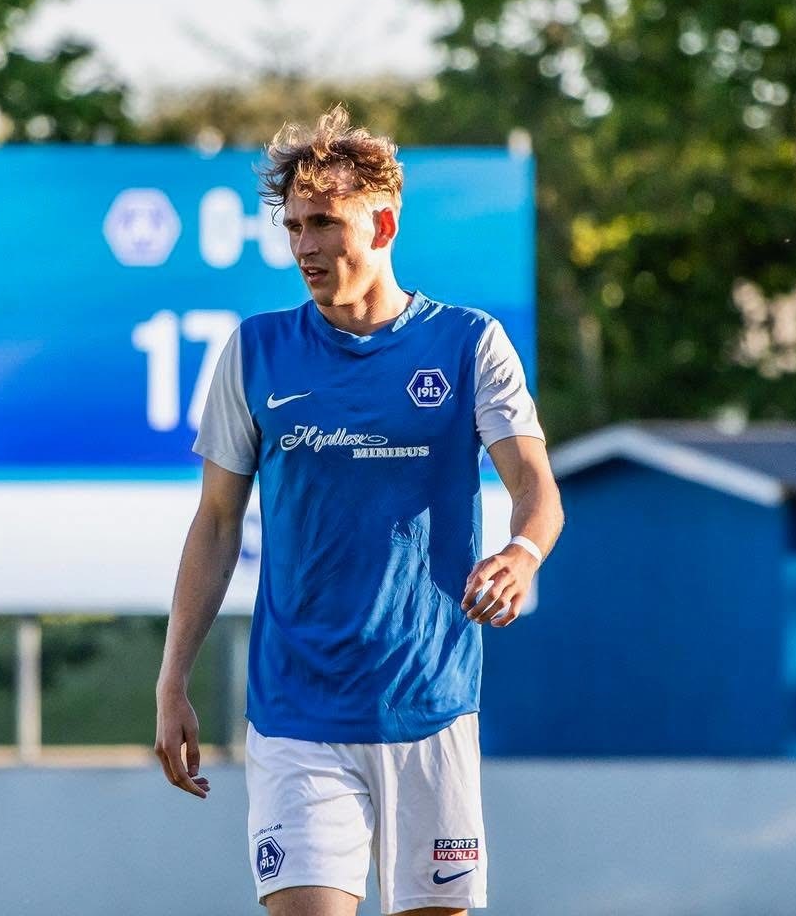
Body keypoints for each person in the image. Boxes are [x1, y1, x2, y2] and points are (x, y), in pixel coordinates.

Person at [154, 107, 564, 916]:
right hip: (296, 714)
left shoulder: (469, 344)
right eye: (293, 226)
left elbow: (537, 490)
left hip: (431, 705)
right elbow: (216, 523)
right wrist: (173, 680)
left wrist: (522, 554)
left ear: (383, 224)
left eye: (324, 224)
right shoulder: (255, 352)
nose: (304, 247)